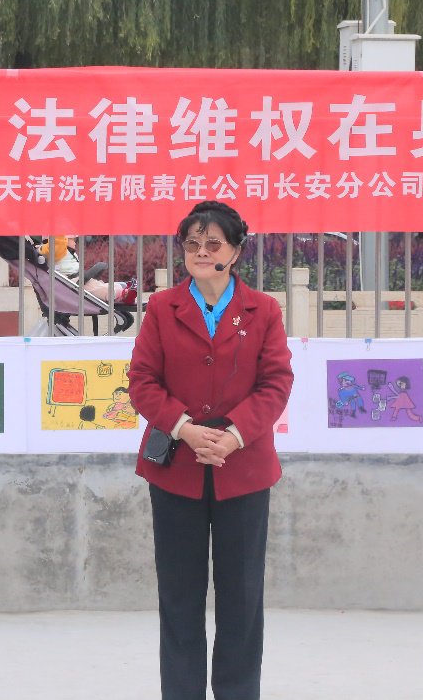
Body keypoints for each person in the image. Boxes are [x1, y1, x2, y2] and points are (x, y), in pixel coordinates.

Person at [127, 200, 293, 700]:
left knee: (242, 599)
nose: (201, 252)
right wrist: (185, 428)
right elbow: (142, 381)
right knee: (179, 597)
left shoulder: (263, 310)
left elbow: (276, 382)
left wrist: (234, 435)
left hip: (243, 469)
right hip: (176, 467)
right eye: (192, 243)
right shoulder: (163, 307)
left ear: (235, 251)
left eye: (213, 243)